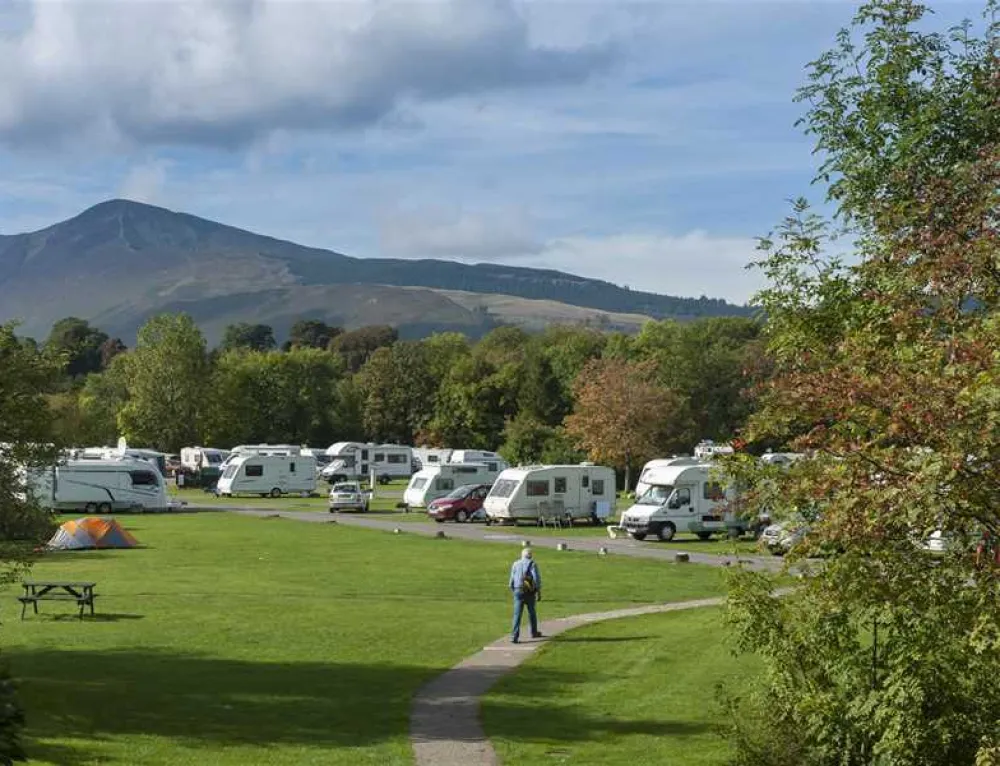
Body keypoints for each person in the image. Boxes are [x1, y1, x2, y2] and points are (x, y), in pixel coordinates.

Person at [509, 548, 543, 643]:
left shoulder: (515, 564)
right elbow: (536, 579)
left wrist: (514, 590)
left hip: (518, 590)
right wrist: (538, 591)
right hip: (529, 592)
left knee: (517, 614)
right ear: (530, 555)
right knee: (532, 612)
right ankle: (534, 632)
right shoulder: (532, 564)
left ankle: (514, 636)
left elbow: (511, 580)